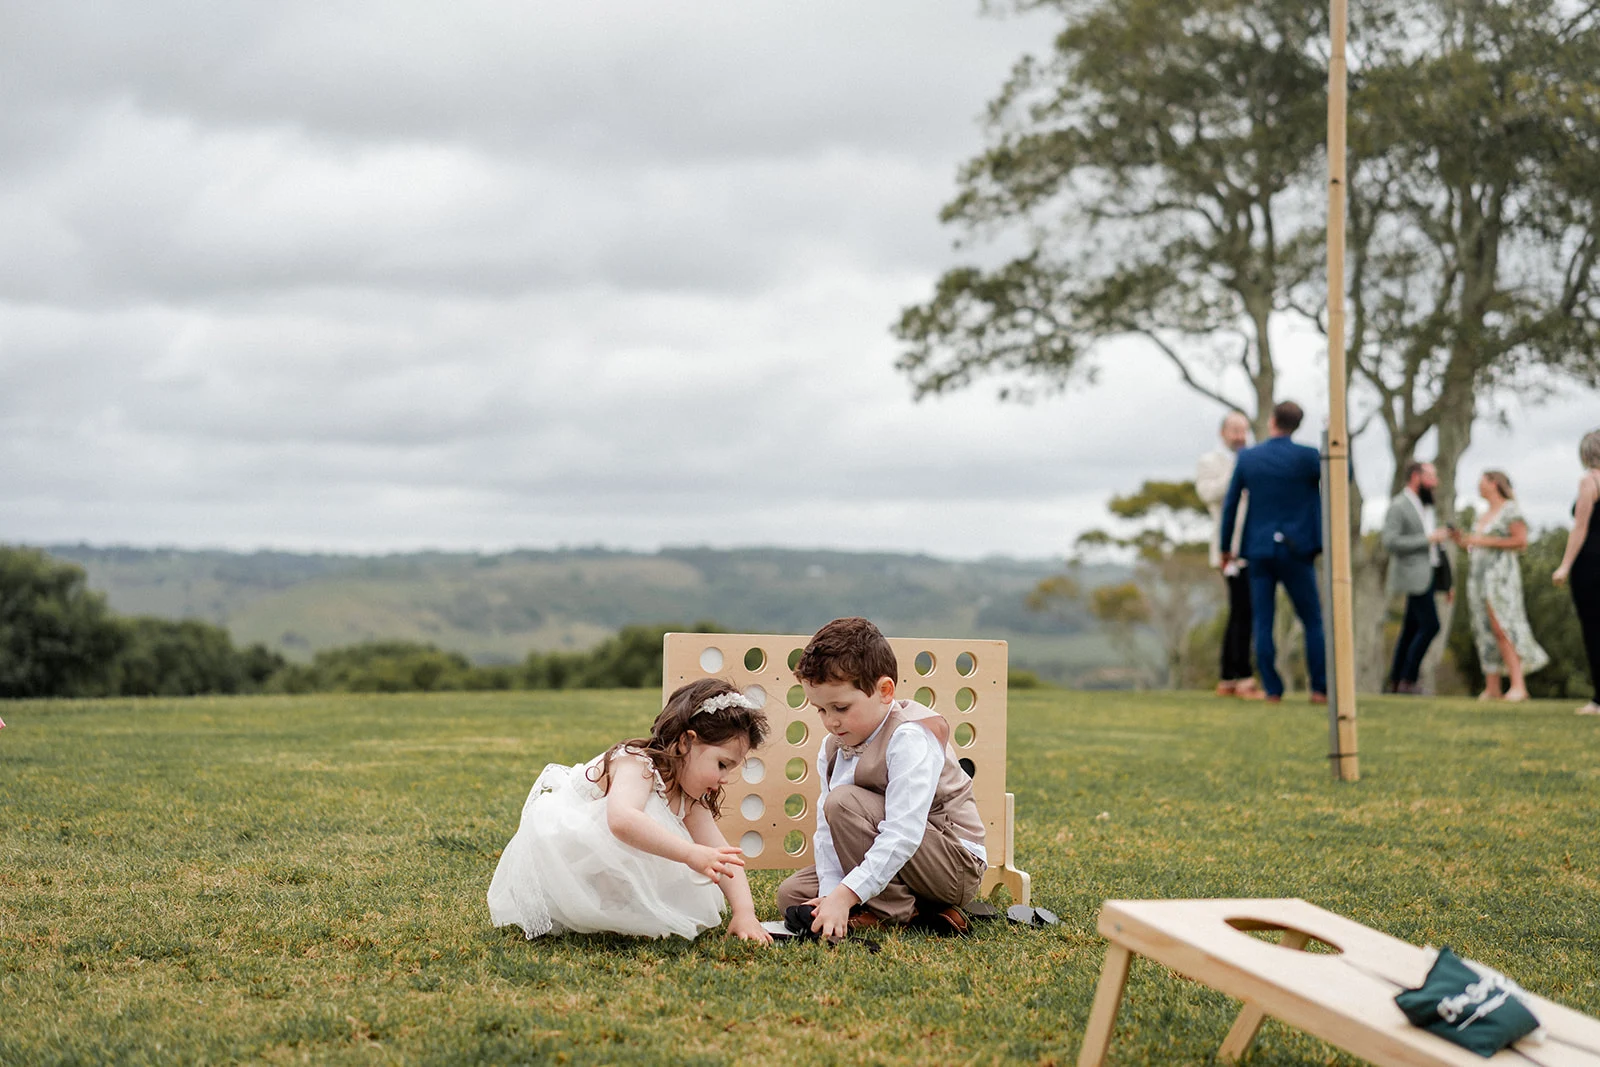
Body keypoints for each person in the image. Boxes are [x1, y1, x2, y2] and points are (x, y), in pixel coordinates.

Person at [487, 678, 772, 941]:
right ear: (686, 742)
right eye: (722, 764)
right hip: (569, 856)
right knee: (645, 831)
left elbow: (723, 856)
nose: (724, 779)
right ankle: (595, 904)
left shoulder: (690, 800)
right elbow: (622, 820)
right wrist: (689, 853)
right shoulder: (637, 764)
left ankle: (623, 907)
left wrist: (744, 912)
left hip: (611, 875)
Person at [776, 617, 985, 938]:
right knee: (792, 895)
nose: (831, 721)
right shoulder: (833, 746)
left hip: (950, 864)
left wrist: (845, 896)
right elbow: (826, 832)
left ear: (884, 691)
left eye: (841, 707)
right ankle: (923, 912)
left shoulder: (910, 736)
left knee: (843, 802)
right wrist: (832, 892)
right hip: (896, 856)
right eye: (820, 710)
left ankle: (890, 912)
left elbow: (903, 832)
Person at [1218, 400, 1327, 703]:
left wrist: (1226, 548)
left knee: (1262, 621)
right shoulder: (1307, 457)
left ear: (1272, 421)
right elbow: (1343, 478)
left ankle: (1273, 690)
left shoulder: (1250, 458)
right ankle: (1319, 689)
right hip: (1298, 549)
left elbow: (1230, 506)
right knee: (1312, 621)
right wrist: (1335, 437)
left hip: (1259, 549)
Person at [1455, 471, 1548, 702]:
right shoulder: (1483, 514)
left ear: (1494, 483)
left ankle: (1518, 685)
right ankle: (1492, 687)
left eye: (1482, 481)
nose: (1478, 485)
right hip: (1478, 578)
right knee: (1483, 629)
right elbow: (1477, 545)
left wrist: (1481, 541)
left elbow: (1521, 541)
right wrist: (1464, 541)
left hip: (1501, 578)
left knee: (1503, 626)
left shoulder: (1510, 510)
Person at [1196, 411, 1260, 697]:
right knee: (1242, 611)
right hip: (1229, 548)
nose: (1240, 436)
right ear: (1223, 432)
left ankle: (1229, 677)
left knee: (1241, 611)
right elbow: (1208, 494)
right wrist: (1239, 471)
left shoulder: (1252, 458)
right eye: (1235, 430)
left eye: (1244, 430)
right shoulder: (1210, 462)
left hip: (1252, 545)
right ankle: (1241, 676)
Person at [1382, 461, 1454, 693]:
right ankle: (1408, 679)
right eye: (1431, 476)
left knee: (1411, 628)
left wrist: (1447, 580)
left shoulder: (1426, 506)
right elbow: (1390, 542)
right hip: (1413, 575)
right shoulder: (1399, 505)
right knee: (1430, 625)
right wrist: (1428, 539)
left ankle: (1397, 680)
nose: (1436, 482)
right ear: (1416, 477)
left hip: (1429, 574)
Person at [1552, 429, 1600, 715]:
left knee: (1594, 628)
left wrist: (1565, 565)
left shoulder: (1589, 481)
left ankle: (1599, 700)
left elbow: (1580, 528)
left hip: (1592, 564)